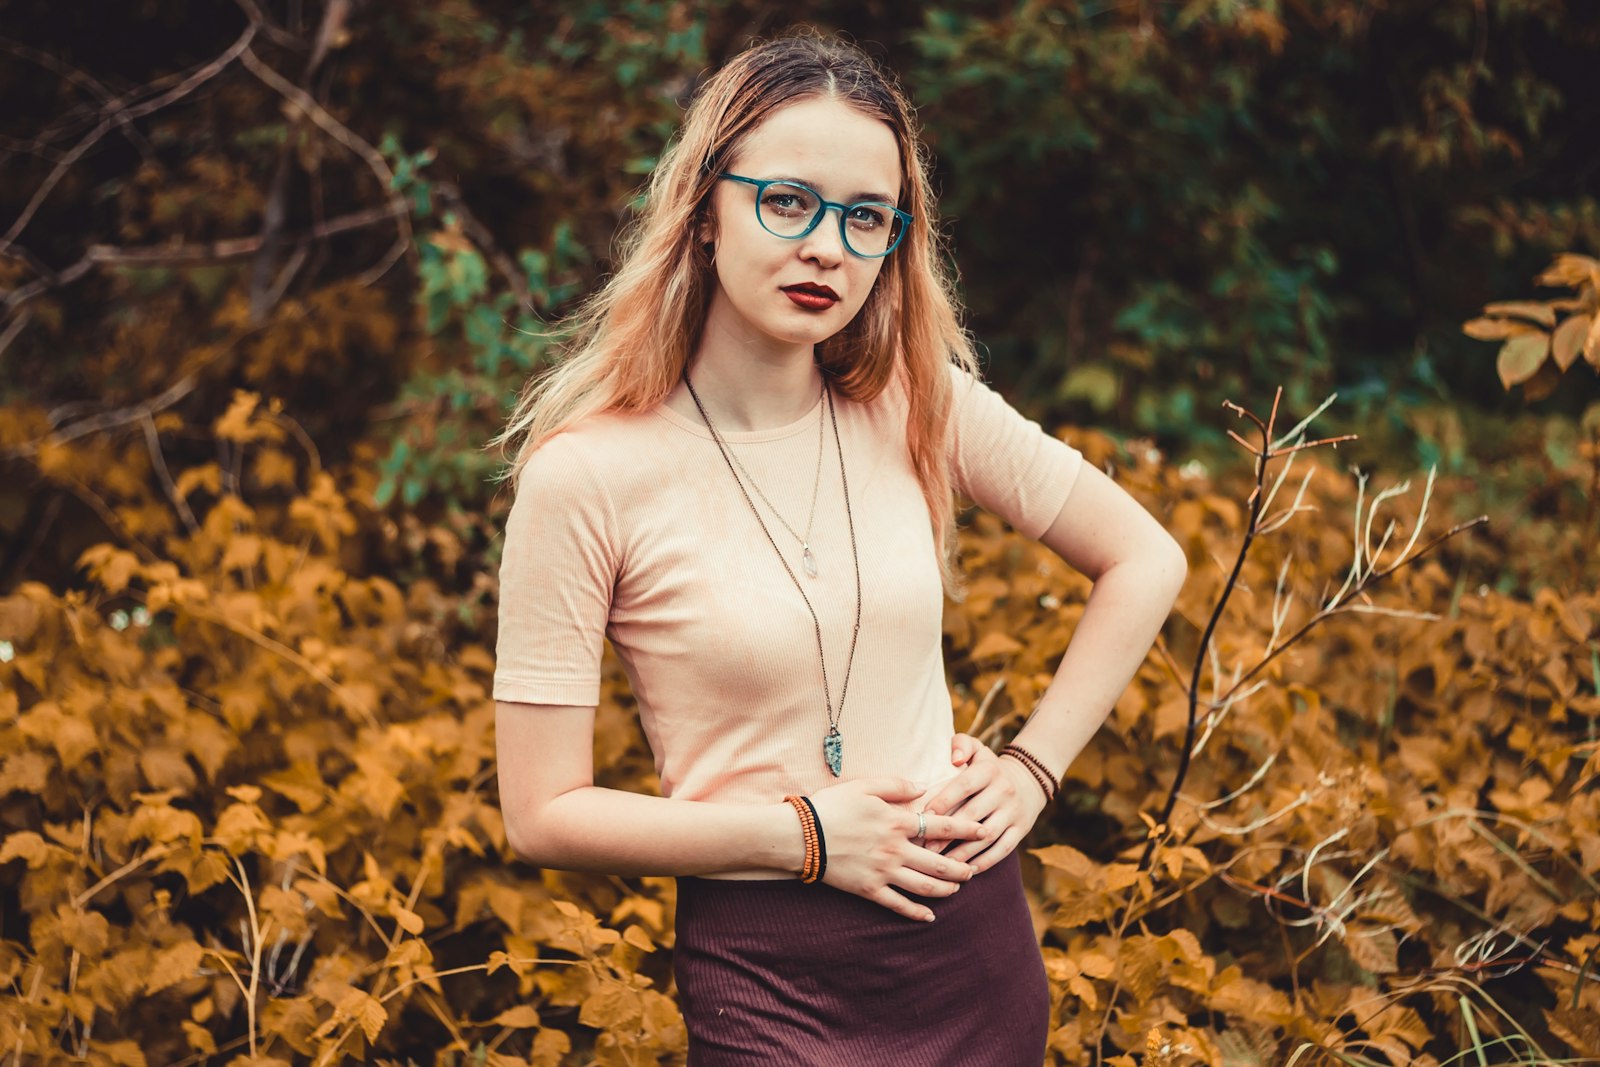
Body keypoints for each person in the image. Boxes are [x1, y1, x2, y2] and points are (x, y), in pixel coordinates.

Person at [491, 31, 1187, 1067]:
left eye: (866, 218)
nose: (826, 246)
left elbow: (1145, 557)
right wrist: (807, 836)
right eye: (787, 200)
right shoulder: (585, 475)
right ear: (704, 212)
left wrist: (1032, 773)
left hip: (969, 943)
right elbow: (543, 813)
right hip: (768, 974)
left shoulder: (917, 404)